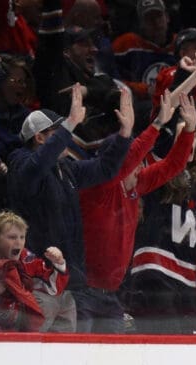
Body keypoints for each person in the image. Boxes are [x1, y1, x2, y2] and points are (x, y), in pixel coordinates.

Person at [7, 83, 132, 332]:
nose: (68, 135)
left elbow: (105, 169)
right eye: (59, 131)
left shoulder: (66, 169)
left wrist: (124, 135)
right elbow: (37, 166)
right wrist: (72, 121)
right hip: (37, 283)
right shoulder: (20, 162)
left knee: (67, 362)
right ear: (39, 137)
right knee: (34, 356)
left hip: (68, 283)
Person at [77, 90, 196, 333]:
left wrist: (189, 131)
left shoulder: (135, 185)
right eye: (131, 159)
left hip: (113, 296)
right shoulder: (99, 186)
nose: (140, 163)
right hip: (83, 293)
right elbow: (131, 157)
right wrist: (157, 124)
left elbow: (172, 165)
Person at [0, 210, 69, 332]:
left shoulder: (28, 259)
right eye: (12, 237)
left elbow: (54, 289)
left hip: (26, 323)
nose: (19, 242)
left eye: (22, 237)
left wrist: (59, 263)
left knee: (65, 300)